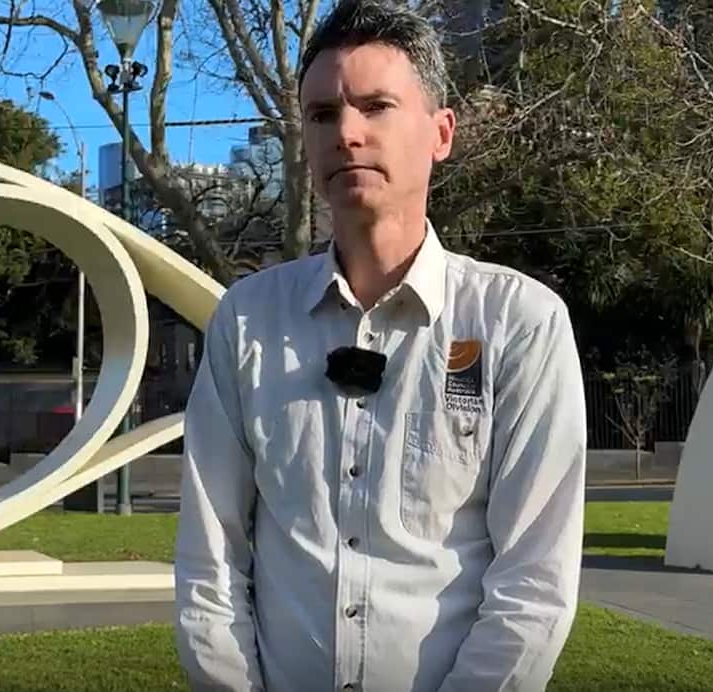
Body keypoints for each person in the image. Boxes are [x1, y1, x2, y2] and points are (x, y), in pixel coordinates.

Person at [173, 1, 587, 690]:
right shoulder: (247, 321)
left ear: (441, 132)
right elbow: (210, 563)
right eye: (323, 115)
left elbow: (534, 584)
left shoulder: (519, 323)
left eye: (376, 106)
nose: (348, 134)